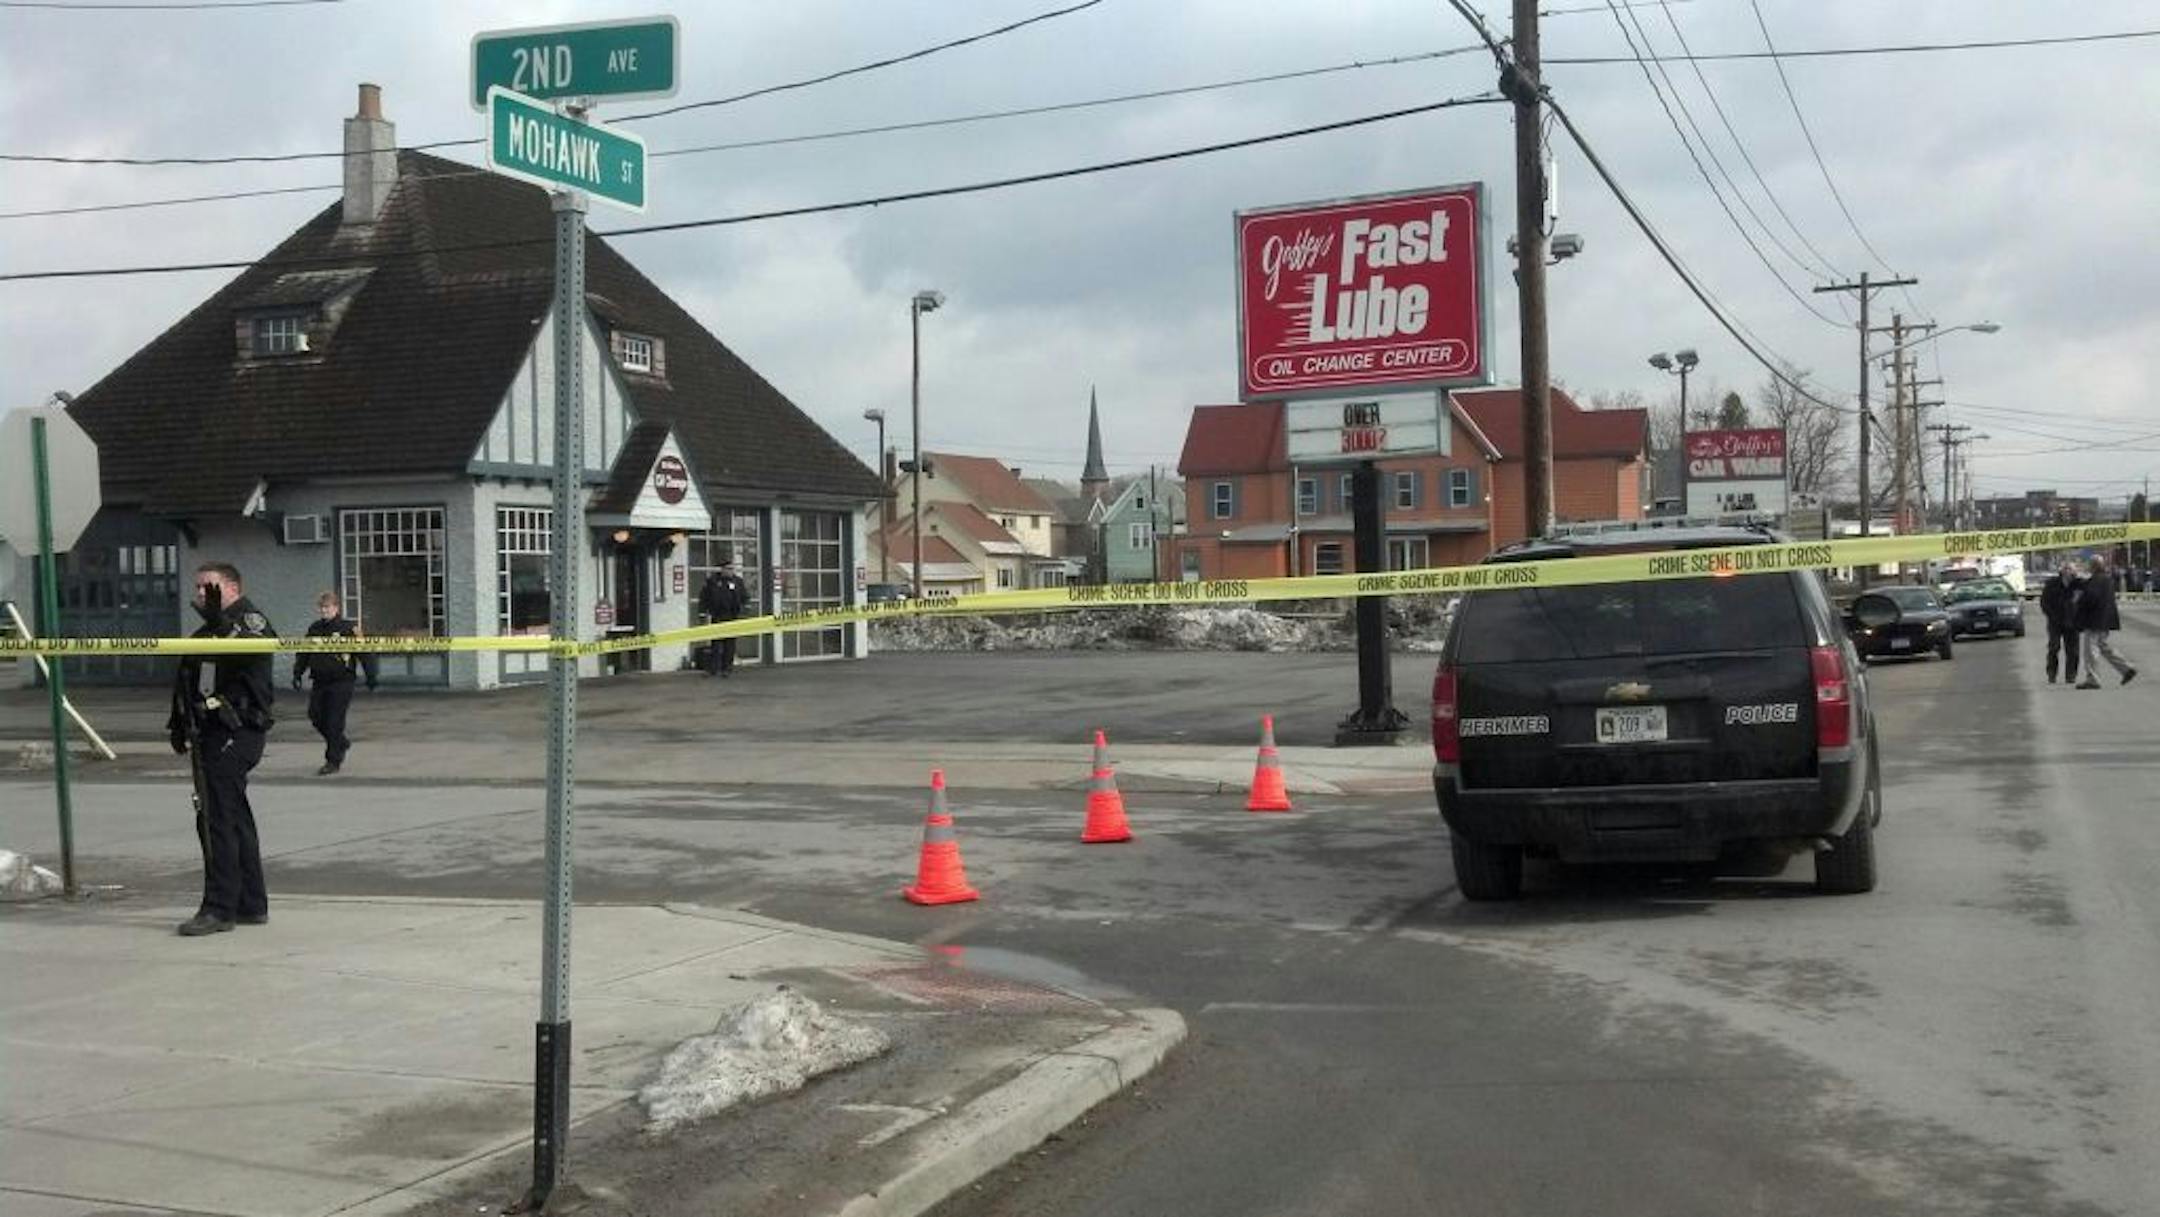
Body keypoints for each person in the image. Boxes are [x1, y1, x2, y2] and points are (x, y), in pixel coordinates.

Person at [167, 562, 276, 936]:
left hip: (237, 731)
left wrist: (220, 622)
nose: (201, 594)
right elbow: (189, 676)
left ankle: (219, 908)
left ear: (232, 588)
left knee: (216, 819)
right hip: (210, 733)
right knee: (233, 816)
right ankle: (250, 903)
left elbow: (250, 651)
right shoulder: (205, 633)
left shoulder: (250, 622)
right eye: (197, 588)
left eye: (209, 587)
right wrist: (178, 720)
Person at [292, 590, 377, 775]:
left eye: (328, 607)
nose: (324, 611)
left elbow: (364, 652)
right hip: (320, 680)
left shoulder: (348, 628)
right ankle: (340, 742)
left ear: (336, 608)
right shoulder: (314, 628)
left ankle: (333, 760)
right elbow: (304, 652)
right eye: (322, 608)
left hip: (342, 681)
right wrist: (297, 673)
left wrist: (371, 676)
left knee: (334, 721)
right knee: (315, 716)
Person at [2073, 554, 2138, 690]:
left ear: (2093, 566)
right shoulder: (2106, 579)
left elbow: (2091, 597)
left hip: (2094, 621)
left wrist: (2079, 600)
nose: (2088, 566)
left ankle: (2093, 679)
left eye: (2089, 564)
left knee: (2090, 651)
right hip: (2104, 620)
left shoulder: (2096, 580)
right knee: (2103, 647)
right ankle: (2126, 668)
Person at [698, 558, 750, 678]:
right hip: (717, 616)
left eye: (732, 569)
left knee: (729, 644)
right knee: (716, 644)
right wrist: (702, 612)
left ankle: (727, 668)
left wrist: (745, 607)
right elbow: (704, 598)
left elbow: (745, 596)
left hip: (732, 616)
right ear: (722, 569)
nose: (730, 571)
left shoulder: (737, 582)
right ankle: (713, 669)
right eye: (728, 569)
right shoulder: (712, 581)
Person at [2038, 561, 2083, 686]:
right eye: (2066, 568)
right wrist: (2051, 615)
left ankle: (2071, 675)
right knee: (2054, 647)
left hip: (2073, 623)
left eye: (2071, 569)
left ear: (2075, 572)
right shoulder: (2052, 584)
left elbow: (2086, 602)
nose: (2068, 571)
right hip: (2055, 622)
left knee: (2073, 651)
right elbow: (2044, 602)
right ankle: (2051, 674)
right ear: (2061, 571)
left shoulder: (2079, 585)